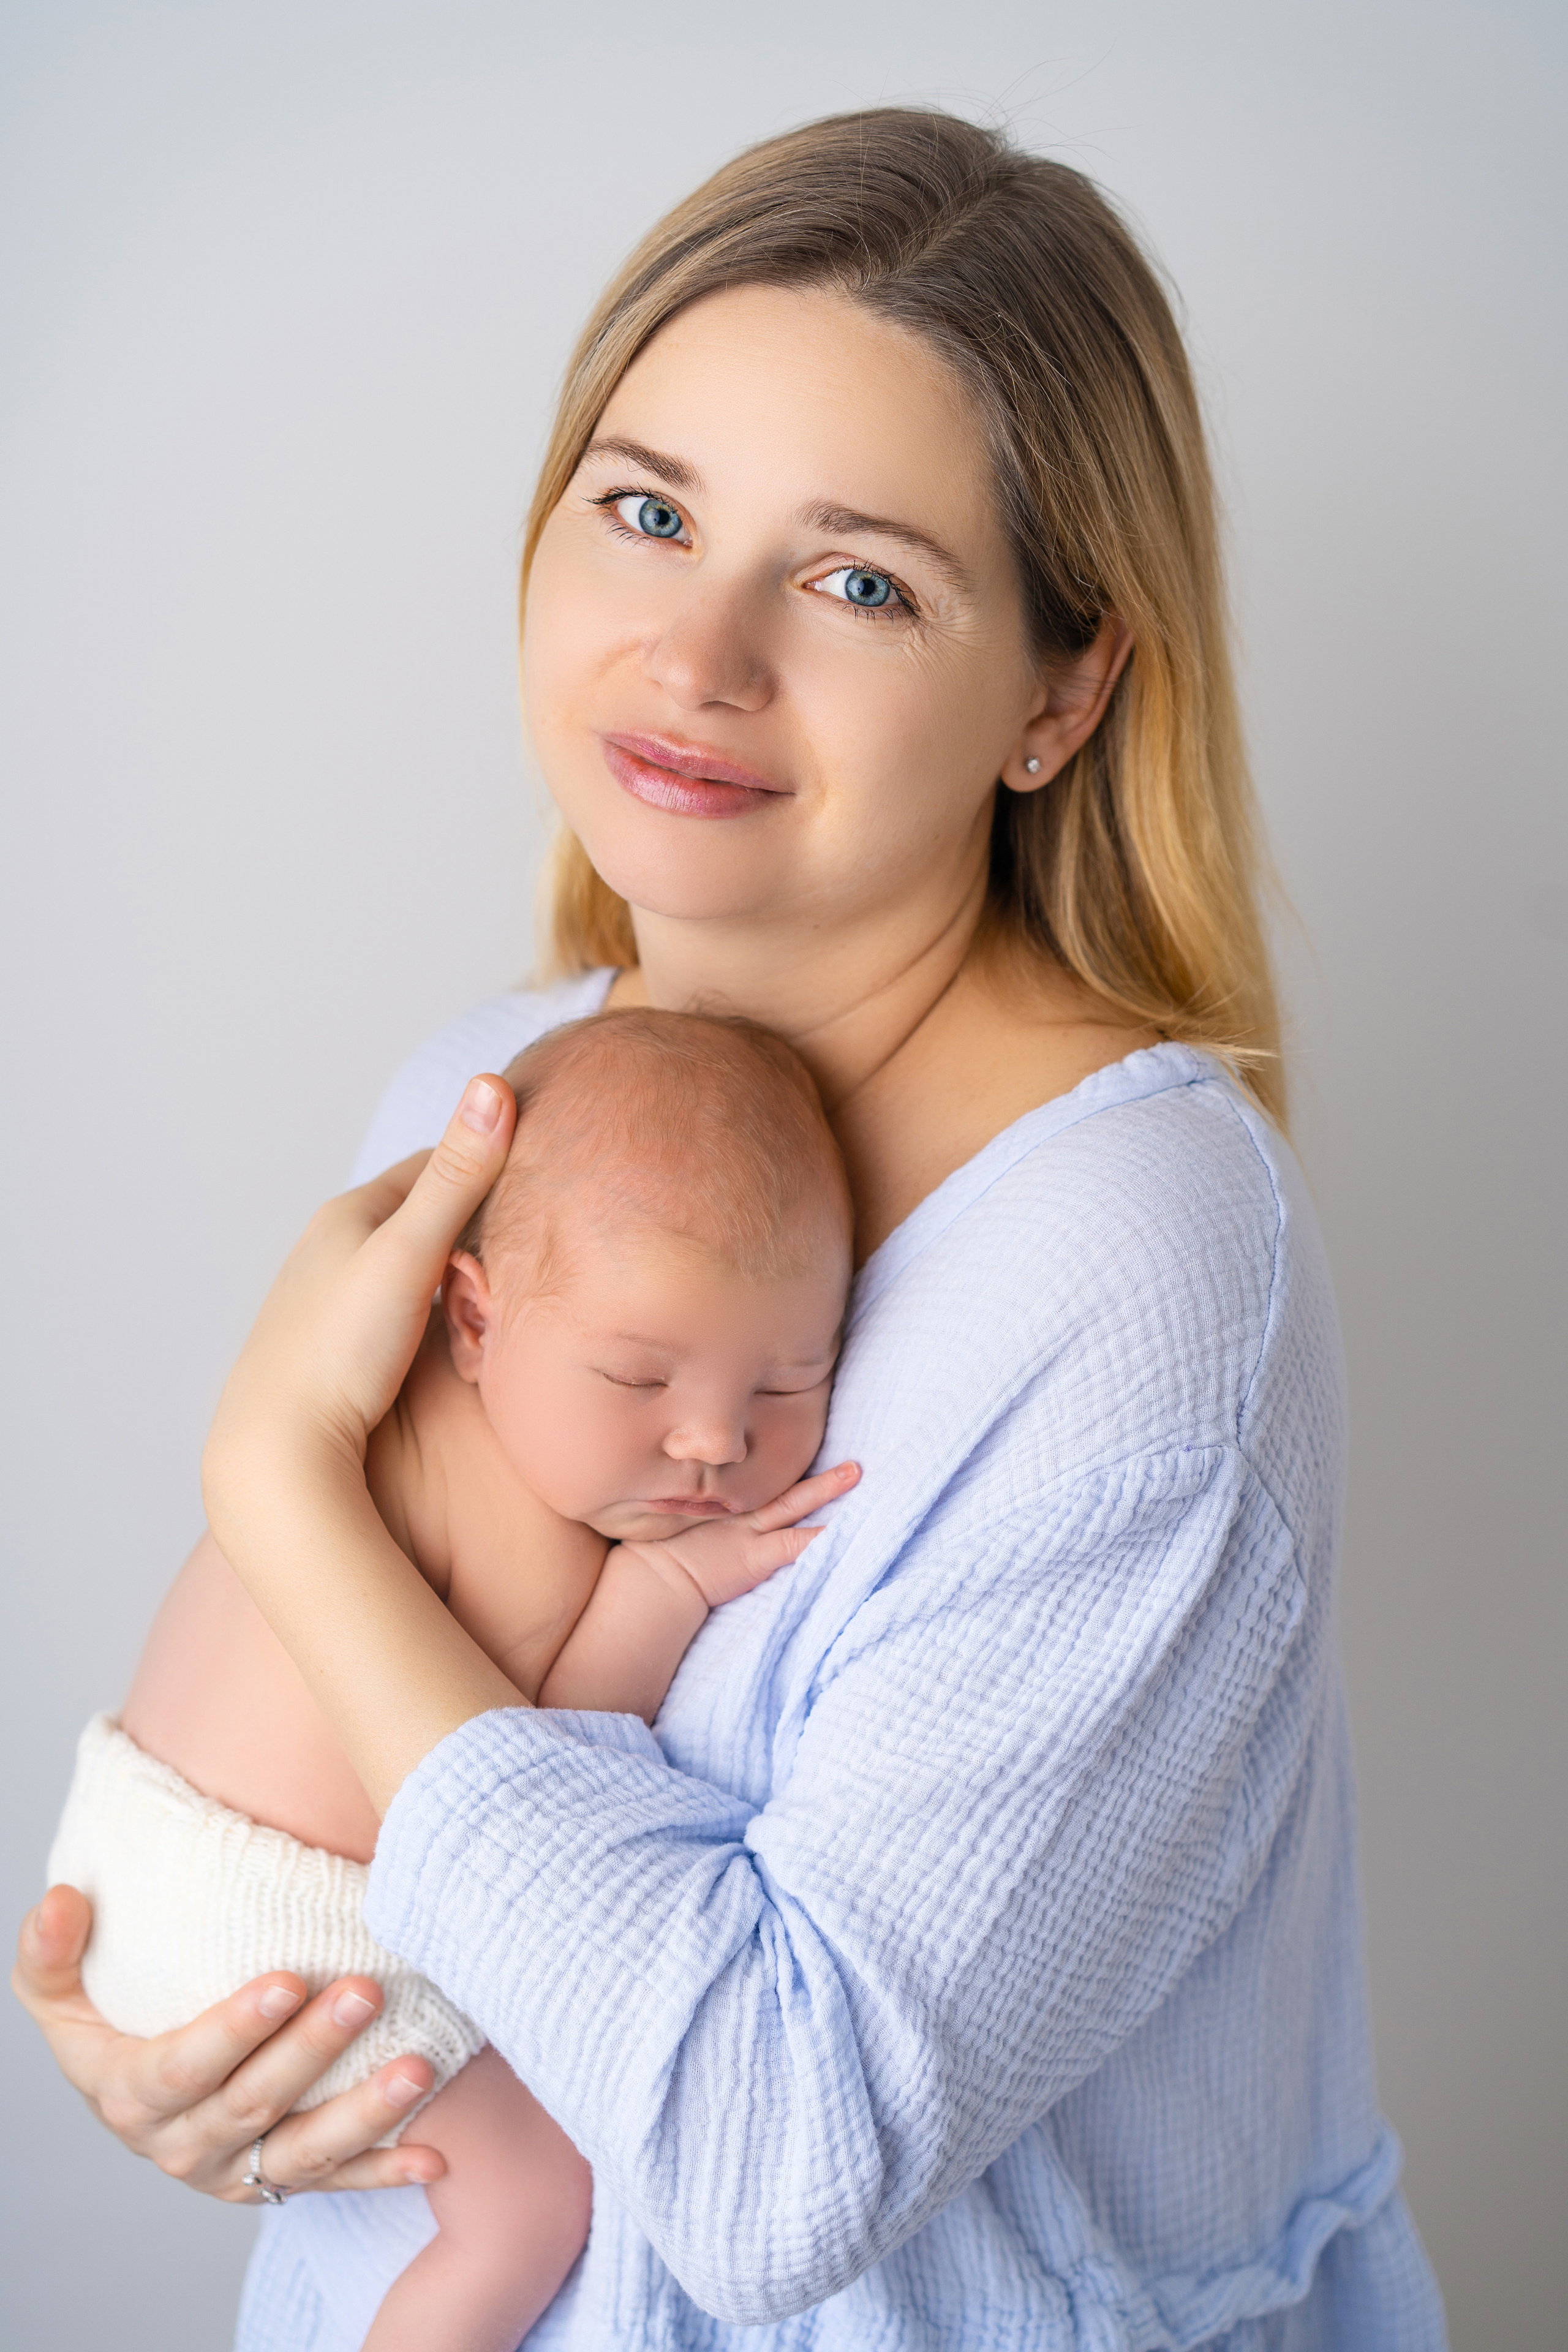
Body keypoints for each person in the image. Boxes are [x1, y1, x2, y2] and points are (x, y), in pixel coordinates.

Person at [15, 108, 1449, 2350]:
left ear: (1064, 694)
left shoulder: (1140, 1275)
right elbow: (322, 1772)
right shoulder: (487, 1099)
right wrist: (191, 2041)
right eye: (649, 509)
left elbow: (781, 2164)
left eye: (858, 577)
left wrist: (279, 1492)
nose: (695, 654)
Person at [46, 1009, 860, 2352]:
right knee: (533, 2201)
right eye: (637, 1373)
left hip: (124, 1859)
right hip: (280, 1926)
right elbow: (531, 1779)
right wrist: (667, 1587)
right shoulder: (524, 1525)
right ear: (471, 1317)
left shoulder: (362, 1373)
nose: (713, 1438)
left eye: (789, 1379)